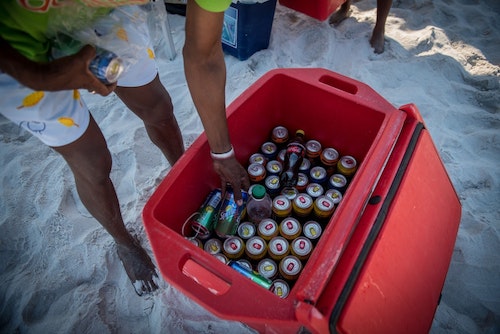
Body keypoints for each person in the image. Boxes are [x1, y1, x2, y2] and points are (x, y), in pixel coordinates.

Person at [0, 0, 248, 296]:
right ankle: (123, 242)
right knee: (91, 160)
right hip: (16, 47)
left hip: (105, 14)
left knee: (158, 108)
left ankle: (179, 173)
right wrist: (41, 77)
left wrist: (222, 152)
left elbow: (205, 57)